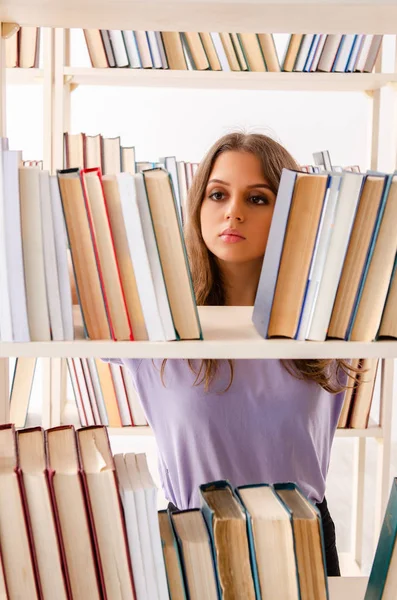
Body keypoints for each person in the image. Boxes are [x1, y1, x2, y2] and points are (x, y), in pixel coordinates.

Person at [108, 132, 353, 577]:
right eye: (217, 194)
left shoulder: (332, 315)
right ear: (197, 206)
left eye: (258, 199)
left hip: (304, 541)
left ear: (290, 212)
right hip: (192, 543)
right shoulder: (154, 318)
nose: (233, 211)